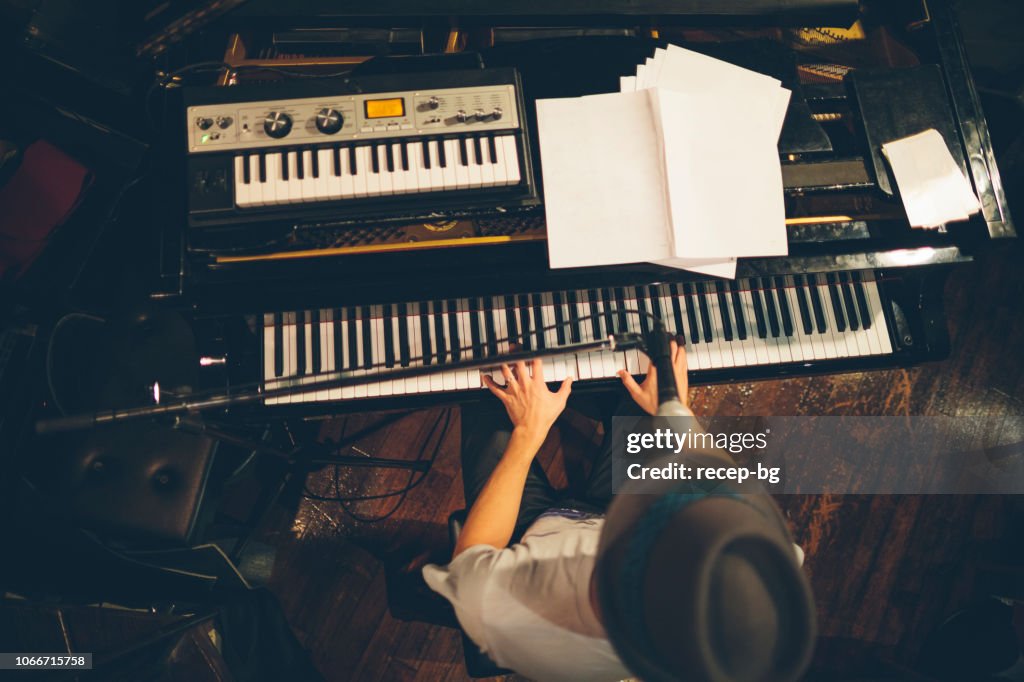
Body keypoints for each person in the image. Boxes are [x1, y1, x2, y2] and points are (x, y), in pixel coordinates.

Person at [423, 342, 814, 681]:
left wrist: (528, 435)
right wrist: (675, 411)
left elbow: (470, 555)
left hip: (526, 528)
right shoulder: (757, 570)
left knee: (488, 385)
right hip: (612, 513)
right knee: (646, 380)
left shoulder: (504, 617)